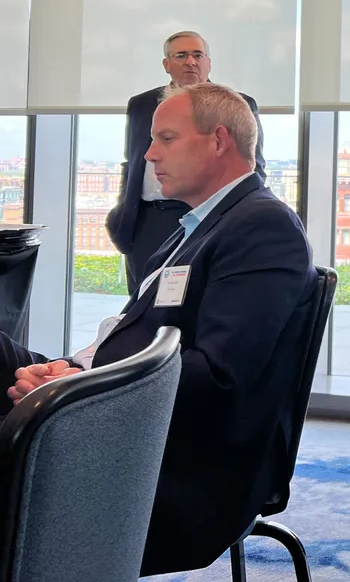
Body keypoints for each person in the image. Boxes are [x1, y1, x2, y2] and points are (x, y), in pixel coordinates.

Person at [2, 83, 315, 576]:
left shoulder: (263, 228)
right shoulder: (201, 224)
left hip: (167, 455)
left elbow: (217, 376)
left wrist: (74, 385)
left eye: (166, 138)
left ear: (218, 141)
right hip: (116, 405)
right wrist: (69, 372)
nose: (148, 154)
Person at [105, 30, 266, 294]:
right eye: (181, 55)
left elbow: (253, 167)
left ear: (208, 63)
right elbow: (132, 162)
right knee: (142, 308)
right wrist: (121, 214)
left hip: (207, 218)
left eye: (197, 55)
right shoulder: (141, 105)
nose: (190, 61)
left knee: (196, 303)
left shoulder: (236, 105)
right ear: (167, 65)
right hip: (148, 221)